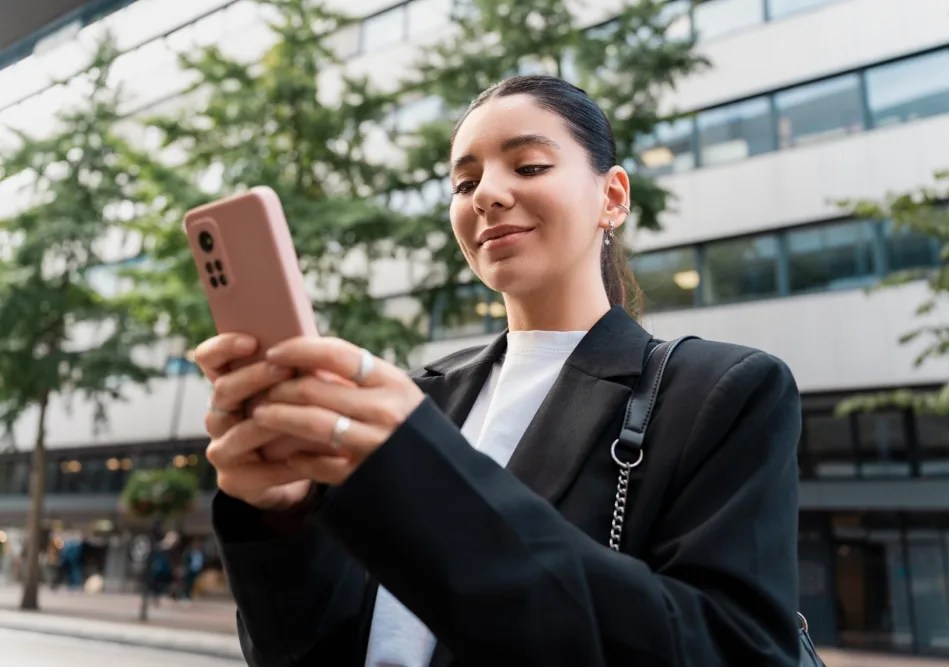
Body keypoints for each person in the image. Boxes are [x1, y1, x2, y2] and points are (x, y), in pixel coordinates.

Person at [198, 75, 802, 666]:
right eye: (464, 182)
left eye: (530, 166)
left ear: (613, 196)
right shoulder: (419, 398)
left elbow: (730, 647)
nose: (486, 193)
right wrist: (280, 517)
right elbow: (306, 649)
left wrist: (424, 471)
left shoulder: (721, 391)